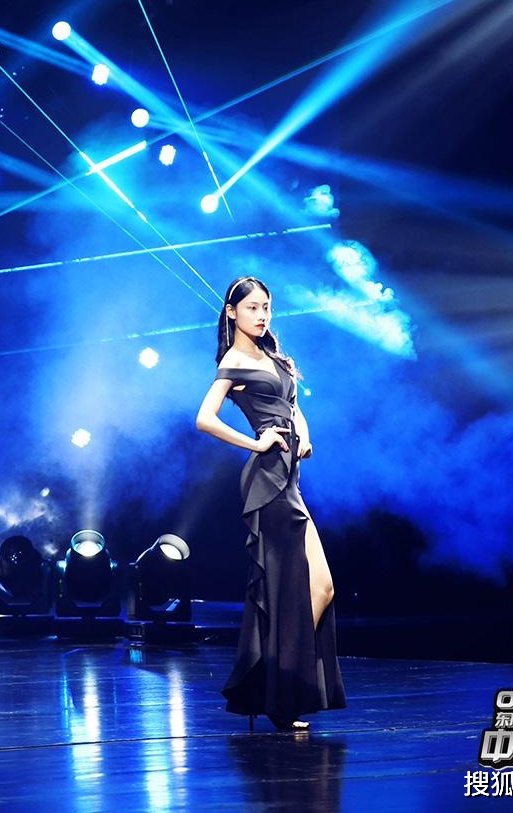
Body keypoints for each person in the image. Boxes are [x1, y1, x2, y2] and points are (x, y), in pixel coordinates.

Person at [195, 276, 346, 731]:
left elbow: (293, 407)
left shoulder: (274, 357)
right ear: (232, 312)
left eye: (267, 307)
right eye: (253, 307)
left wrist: (305, 435)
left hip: (289, 479)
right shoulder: (235, 361)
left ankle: (274, 681)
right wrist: (256, 443)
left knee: (319, 589)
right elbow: (204, 419)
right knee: (302, 587)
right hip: (268, 484)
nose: (261, 315)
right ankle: (279, 688)